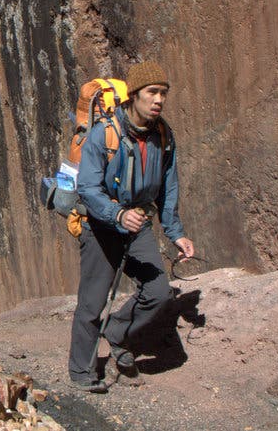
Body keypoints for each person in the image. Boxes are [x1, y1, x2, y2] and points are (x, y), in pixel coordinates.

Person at [68, 61, 195, 392]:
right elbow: (89, 189)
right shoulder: (103, 133)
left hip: (136, 226)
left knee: (159, 292)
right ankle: (81, 371)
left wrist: (176, 232)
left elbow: (169, 189)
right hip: (101, 225)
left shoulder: (163, 136)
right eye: (152, 92)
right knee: (92, 302)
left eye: (163, 94)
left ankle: (117, 332)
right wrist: (117, 215)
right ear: (134, 95)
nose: (159, 100)